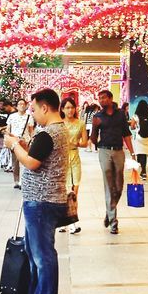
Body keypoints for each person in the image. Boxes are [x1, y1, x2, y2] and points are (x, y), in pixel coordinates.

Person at [6, 88, 68, 294]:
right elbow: (38, 155)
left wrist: (14, 146)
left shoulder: (48, 133)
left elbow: (32, 163)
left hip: (42, 201)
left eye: (33, 109)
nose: (32, 114)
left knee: (42, 253)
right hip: (44, 199)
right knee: (35, 252)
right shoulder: (56, 131)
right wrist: (22, 144)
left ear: (45, 107)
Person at [91, 89, 133, 234]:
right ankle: (113, 221)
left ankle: (109, 211)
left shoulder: (121, 114)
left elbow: (127, 134)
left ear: (110, 99)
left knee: (119, 186)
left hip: (119, 151)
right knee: (109, 186)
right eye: (99, 98)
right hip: (104, 151)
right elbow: (93, 139)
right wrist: (95, 126)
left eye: (103, 98)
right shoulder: (97, 116)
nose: (101, 100)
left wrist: (132, 153)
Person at [61, 96, 88, 234]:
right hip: (62, 159)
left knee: (74, 191)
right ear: (62, 109)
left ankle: (73, 221)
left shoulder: (80, 123)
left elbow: (85, 142)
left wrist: (76, 143)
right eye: (67, 107)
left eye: (72, 107)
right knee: (63, 191)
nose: (70, 110)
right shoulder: (59, 124)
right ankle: (62, 221)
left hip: (75, 158)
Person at [5, 97, 33, 189]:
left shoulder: (29, 117)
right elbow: (8, 129)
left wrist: (31, 140)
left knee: (24, 161)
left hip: (25, 141)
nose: (21, 106)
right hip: (14, 141)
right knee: (15, 162)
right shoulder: (12, 117)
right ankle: (16, 180)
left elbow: (31, 131)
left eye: (23, 104)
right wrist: (9, 138)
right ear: (16, 106)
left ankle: (22, 181)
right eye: (20, 104)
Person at [131, 100, 148, 180]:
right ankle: (144, 171)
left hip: (139, 137)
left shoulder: (136, 116)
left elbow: (132, 126)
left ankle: (143, 171)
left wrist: (136, 128)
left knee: (140, 153)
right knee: (145, 153)